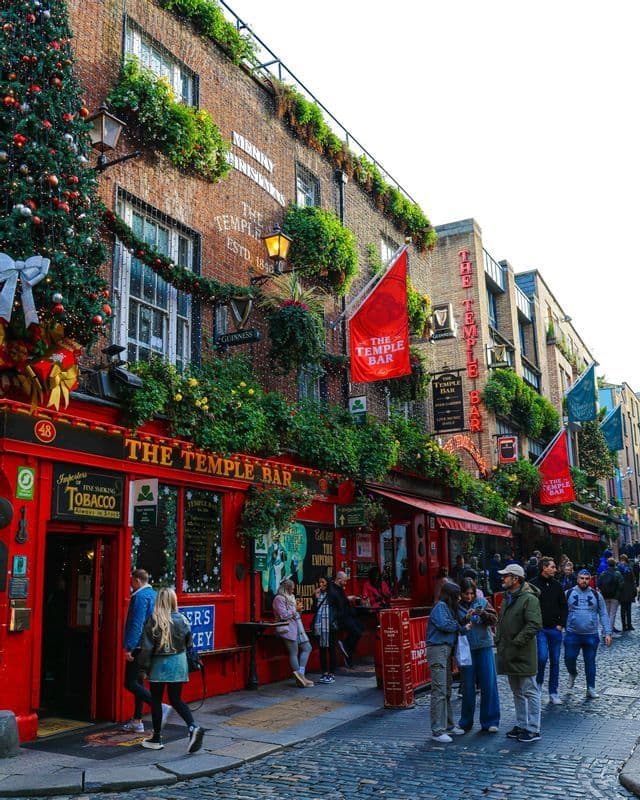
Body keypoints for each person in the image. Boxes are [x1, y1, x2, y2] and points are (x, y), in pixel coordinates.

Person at [138, 588, 204, 753]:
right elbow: (190, 645)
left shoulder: (153, 620)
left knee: (156, 701)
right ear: (174, 601)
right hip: (179, 663)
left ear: (159, 600)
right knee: (176, 699)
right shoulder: (183, 619)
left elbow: (146, 648)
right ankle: (193, 727)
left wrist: (143, 668)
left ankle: (157, 738)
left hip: (160, 664)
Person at [495, 563, 542, 744]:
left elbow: (534, 624)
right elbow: (502, 621)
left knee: (530, 690)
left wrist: (516, 642)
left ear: (515, 579)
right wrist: (500, 639)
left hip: (522, 653)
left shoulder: (529, 599)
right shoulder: (509, 597)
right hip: (510, 652)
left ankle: (533, 728)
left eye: (506, 576)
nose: (502, 578)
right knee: (517, 691)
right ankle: (522, 724)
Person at [122, 569, 170, 734]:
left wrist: (129, 647)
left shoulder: (140, 597)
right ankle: (137, 721)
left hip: (139, 646)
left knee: (129, 683)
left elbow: (137, 624)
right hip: (149, 645)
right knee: (139, 682)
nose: (130, 584)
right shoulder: (154, 594)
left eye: (131, 581)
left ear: (137, 580)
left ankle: (159, 706)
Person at [426, 581, 469, 743]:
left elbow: (454, 626)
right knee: (439, 690)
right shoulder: (440, 607)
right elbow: (446, 625)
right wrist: (459, 624)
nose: (459, 599)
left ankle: (449, 725)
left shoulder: (447, 608)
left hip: (445, 650)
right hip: (438, 649)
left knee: (446, 690)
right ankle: (437, 730)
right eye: (457, 596)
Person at [456, 578, 500, 733]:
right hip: (467, 648)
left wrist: (482, 613)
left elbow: (494, 619)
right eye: (466, 594)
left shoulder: (481, 602)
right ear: (460, 593)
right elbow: (455, 625)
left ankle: (490, 720)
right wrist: (465, 619)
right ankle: (465, 722)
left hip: (484, 645)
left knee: (489, 683)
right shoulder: (456, 606)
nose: (469, 597)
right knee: (468, 686)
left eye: (471, 593)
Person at [564, 569, 612, 698]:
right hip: (572, 633)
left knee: (590, 661)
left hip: (591, 634)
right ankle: (572, 673)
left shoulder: (596, 595)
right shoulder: (568, 593)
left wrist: (607, 632)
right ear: (577, 579)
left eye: (586, 578)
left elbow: (603, 613)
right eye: (582, 578)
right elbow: (560, 610)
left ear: (590, 579)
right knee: (569, 658)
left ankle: (590, 687)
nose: (584, 581)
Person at [530, 557, 568, 705]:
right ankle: (538, 686)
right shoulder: (533, 584)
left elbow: (564, 606)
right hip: (540, 629)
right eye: (552, 567)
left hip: (555, 628)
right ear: (544, 568)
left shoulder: (557, 586)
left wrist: (561, 624)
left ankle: (553, 691)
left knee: (555, 661)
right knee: (542, 658)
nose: (555, 569)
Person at [273, 579, 314, 687]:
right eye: (291, 589)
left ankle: (301, 676)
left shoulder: (291, 597)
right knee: (294, 652)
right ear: (286, 588)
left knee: (307, 648)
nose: (293, 591)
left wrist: (299, 609)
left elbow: (296, 615)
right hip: (287, 629)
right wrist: (295, 609)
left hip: (298, 627)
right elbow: (283, 615)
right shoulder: (279, 598)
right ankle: (300, 680)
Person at [330, 571, 362, 669]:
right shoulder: (332, 589)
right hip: (341, 617)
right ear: (339, 579)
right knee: (356, 632)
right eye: (344, 581)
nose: (345, 583)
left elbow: (342, 600)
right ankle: (346, 646)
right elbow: (339, 602)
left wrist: (349, 598)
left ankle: (347, 649)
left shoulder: (339, 588)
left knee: (360, 628)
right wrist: (348, 599)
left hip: (347, 615)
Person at [311, 576, 339, 683]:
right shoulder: (318, 594)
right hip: (320, 627)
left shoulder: (333, 595)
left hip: (330, 626)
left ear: (327, 583)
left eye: (322, 582)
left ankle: (331, 673)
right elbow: (314, 610)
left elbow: (339, 610)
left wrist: (334, 621)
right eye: (319, 582)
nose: (320, 584)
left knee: (331, 649)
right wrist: (316, 598)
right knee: (322, 650)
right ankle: (324, 673)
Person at [597, 557, 623, 635]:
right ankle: (609, 631)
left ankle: (605, 630)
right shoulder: (617, 573)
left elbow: (598, 584)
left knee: (606, 613)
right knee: (612, 614)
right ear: (615, 564)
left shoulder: (603, 573)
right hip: (615, 596)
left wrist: (603, 590)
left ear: (608, 564)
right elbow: (621, 584)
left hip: (605, 596)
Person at [617, 554, 636, 632]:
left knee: (624, 609)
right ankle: (629, 625)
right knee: (627, 609)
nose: (623, 562)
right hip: (627, 590)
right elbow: (633, 579)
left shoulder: (618, 569)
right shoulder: (628, 568)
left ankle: (625, 626)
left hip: (623, 591)